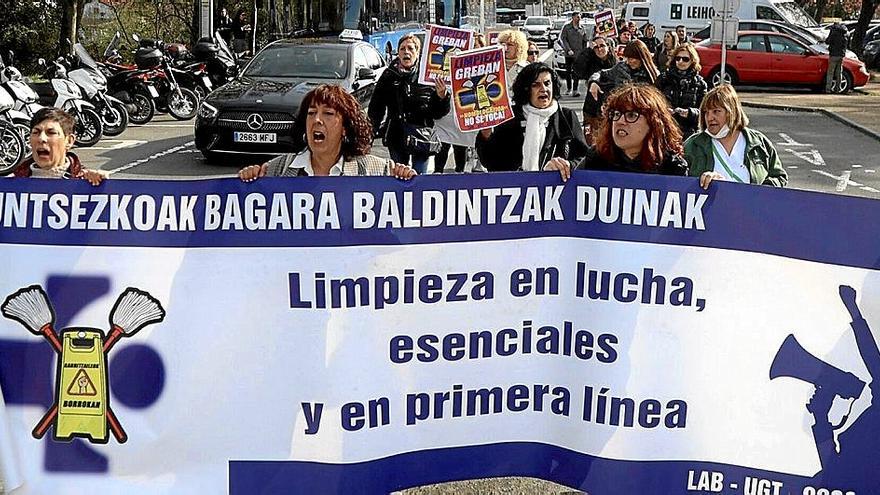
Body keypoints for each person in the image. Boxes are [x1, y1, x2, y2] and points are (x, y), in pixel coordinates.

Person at [239, 85, 416, 180]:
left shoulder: (378, 170)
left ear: (345, 127)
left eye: (328, 114)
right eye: (311, 113)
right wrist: (250, 180)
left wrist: (407, 183)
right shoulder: (277, 170)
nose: (317, 120)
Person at [546, 83, 687, 180]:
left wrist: (708, 184)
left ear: (654, 123)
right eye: (616, 114)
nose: (620, 121)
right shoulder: (596, 160)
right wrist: (550, 176)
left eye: (631, 115)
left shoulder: (673, 168)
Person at [476, 62, 588, 172]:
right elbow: (490, 162)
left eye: (547, 83)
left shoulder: (567, 117)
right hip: (516, 187)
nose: (543, 89)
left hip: (556, 188)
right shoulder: (510, 117)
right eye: (536, 85)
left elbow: (583, 158)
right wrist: (486, 135)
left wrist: (567, 165)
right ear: (526, 89)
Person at [367, 34, 450, 175]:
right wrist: (368, 135)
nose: (406, 52)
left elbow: (438, 113)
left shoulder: (428, 77)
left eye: (410, 48)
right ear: (398, 52)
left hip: (422, 137)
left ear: (417, 53)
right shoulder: (389, 75)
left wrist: (442, 96)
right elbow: (376, 108)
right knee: (400, 178)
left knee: (419, 179)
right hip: (396, 136)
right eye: (402, 49)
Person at [684, 84, 787, 189]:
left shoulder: (759, 142)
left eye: (716, 111)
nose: (710, 118)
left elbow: (779, 177)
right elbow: (677, 183)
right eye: (706, 112)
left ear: (732, 112)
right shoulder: (692, 145)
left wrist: (762, 192)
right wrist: (700, 182)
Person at [10, 107, 107, 185]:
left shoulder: (84, 181)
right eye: (36, 132)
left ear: (69, 141)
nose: (41, 138)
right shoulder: (11, 184)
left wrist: (103, 185)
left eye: (51, 133)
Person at [584, 40, 659, 122]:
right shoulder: (621, 68)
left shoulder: (654, 76)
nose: (629, 61)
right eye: (627, 57)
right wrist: (593, 82)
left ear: (642, 57)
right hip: (619, 115)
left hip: (641, 118)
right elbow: (601, 73)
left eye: (632, 58)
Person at [657, 43, 707, 139]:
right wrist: (664, 111)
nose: (680, 61)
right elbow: (652, 103)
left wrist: (689, 113)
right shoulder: (663, 79)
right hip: (665, 130)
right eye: (678, 58)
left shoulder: (700, 84)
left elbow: (704, 112)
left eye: (685, 59)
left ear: (692, 61)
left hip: (689, 133)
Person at [573, 36, 616, 144]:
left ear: (608, 47)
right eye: (596, 47)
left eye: (602, 46)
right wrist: (588, 50)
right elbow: (577, 69)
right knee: (590, 142)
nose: (599, 49)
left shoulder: (616, 64)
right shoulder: (590, 60)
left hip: (610, 109)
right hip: (591, 109)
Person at [560, 12, 589, 97]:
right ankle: (569, 88)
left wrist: (584, 52)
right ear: (573, 18)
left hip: (578, 54)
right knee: (568, 72)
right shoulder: (567, 27)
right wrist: (568, 49)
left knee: (576, 72)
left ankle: (575, 90)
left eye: (579, 17)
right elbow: (563, 39)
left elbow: (585, 41)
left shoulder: (582, 28)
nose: (578, 19)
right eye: (577, 17)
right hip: (569, 54)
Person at [825, 22, 849, 93]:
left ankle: (828, 89)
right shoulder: (845, 34)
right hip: (841, 55)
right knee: (839, 72)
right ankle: (838, 89)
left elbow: (827, 41)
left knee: (830, 72)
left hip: (833, 55)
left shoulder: (834, 33)